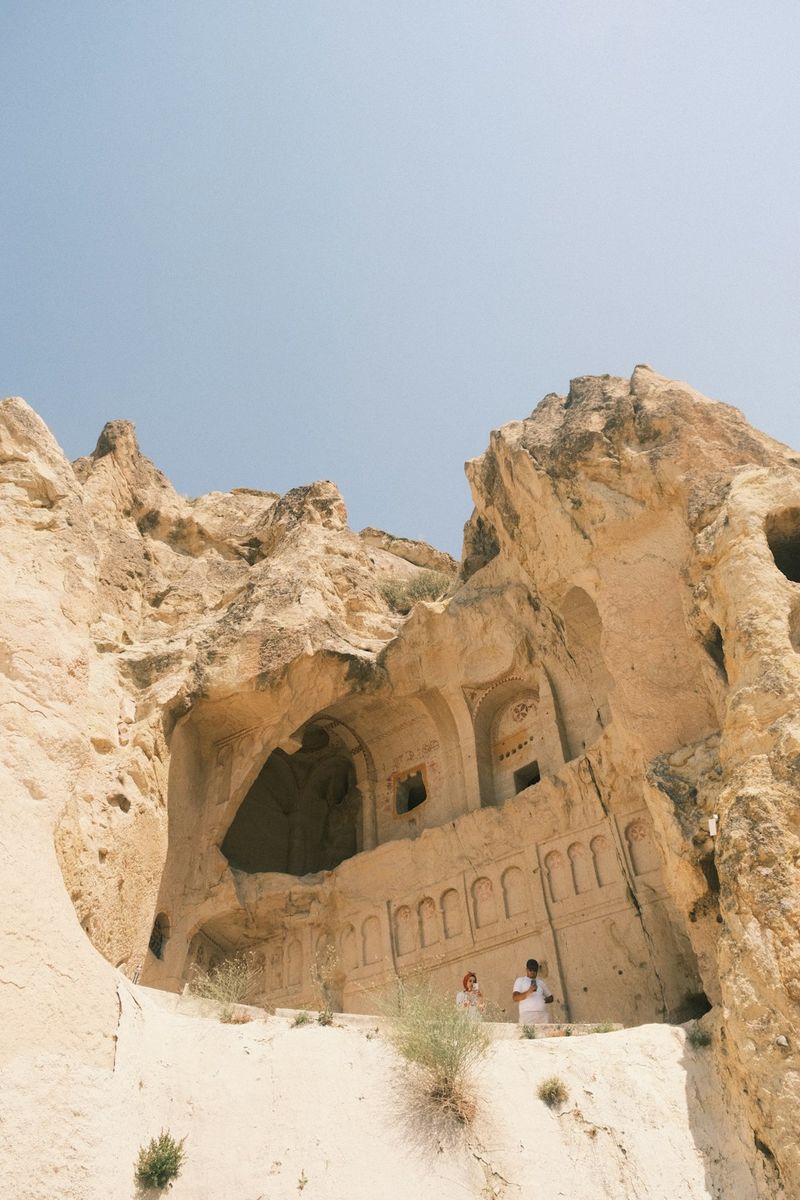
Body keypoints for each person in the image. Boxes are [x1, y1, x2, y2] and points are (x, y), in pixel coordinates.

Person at [512, 958, 553, 1026]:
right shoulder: (520, 980)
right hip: (527, 1014)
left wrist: (542, 1000)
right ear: (526, 969)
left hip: (542, 1014)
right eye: (530, 969)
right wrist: (529, 991)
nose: (532, 972)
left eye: (534, 970)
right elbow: (515, 997)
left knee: (544, 1032)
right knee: (529, 1032)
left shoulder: (540, 982)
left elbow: (551, 998)